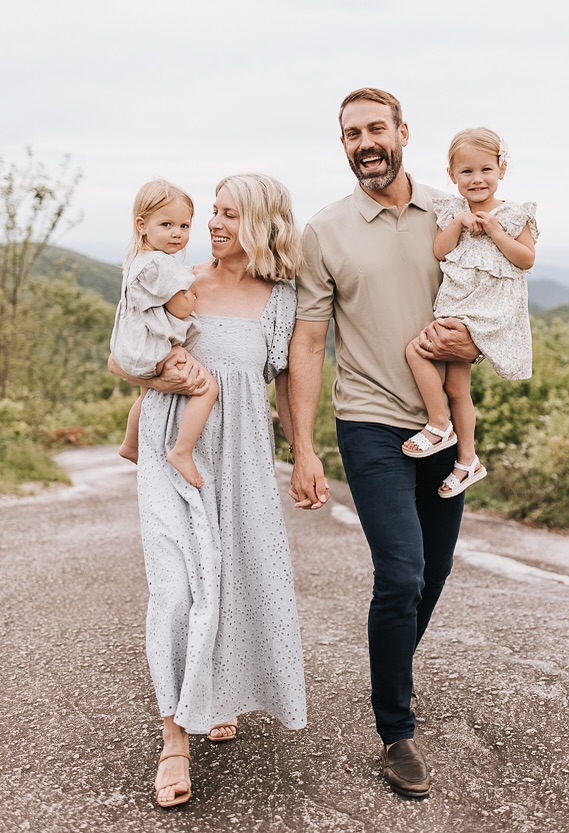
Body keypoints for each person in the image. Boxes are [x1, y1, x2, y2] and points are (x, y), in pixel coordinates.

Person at [288, 88, 481, 799]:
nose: (363, 142)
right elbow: (309, 339)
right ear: (341, 144)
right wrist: (303, 447)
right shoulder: (324, 230)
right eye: (349, 133)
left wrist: (477, 345)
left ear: (402, 132)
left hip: (443, 421)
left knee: (435, 570)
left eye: (375, 129)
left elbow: (486, 301)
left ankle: (389, 665)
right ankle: (395, 728)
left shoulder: (449, 212)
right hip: (369, 421)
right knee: (399, 574)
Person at [109, 173, 307, 808]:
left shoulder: (281, 298)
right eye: (212, 213)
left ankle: (217, 695)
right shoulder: (175, 278)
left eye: (229, 215)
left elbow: (285, 380)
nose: (215, 225)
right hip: (175, 450)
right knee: (177, 586)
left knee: (236, 577)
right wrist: (161, 384)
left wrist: (305, 453)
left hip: (246, 455)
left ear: (262, 226)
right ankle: (174, 736)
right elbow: (121, 356)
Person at [402, 128, 538, 498]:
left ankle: (439, 424)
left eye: (485, 170)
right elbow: (440, 251)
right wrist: (459, 224)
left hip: (486, 312)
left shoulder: (513, 215)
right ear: (452, 176)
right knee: (456, 387)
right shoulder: (453, 211)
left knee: (416, 350)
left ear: (501, 170)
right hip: (459, 306)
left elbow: (525, 260)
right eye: (466, 172)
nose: (476, 179)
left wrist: (494, 230)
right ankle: (467, 460)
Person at [111, 179, 218, 488]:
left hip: (131, 347)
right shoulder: (159, 263)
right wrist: (194, 289)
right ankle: (182, 451)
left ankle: (130, 444)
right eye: (167, 224)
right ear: (142, 225)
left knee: (146, 394)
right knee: (207, 388)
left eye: (184, 226)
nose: (177, 233)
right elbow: (182, 307)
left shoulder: (136, 260)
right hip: (153, 348)